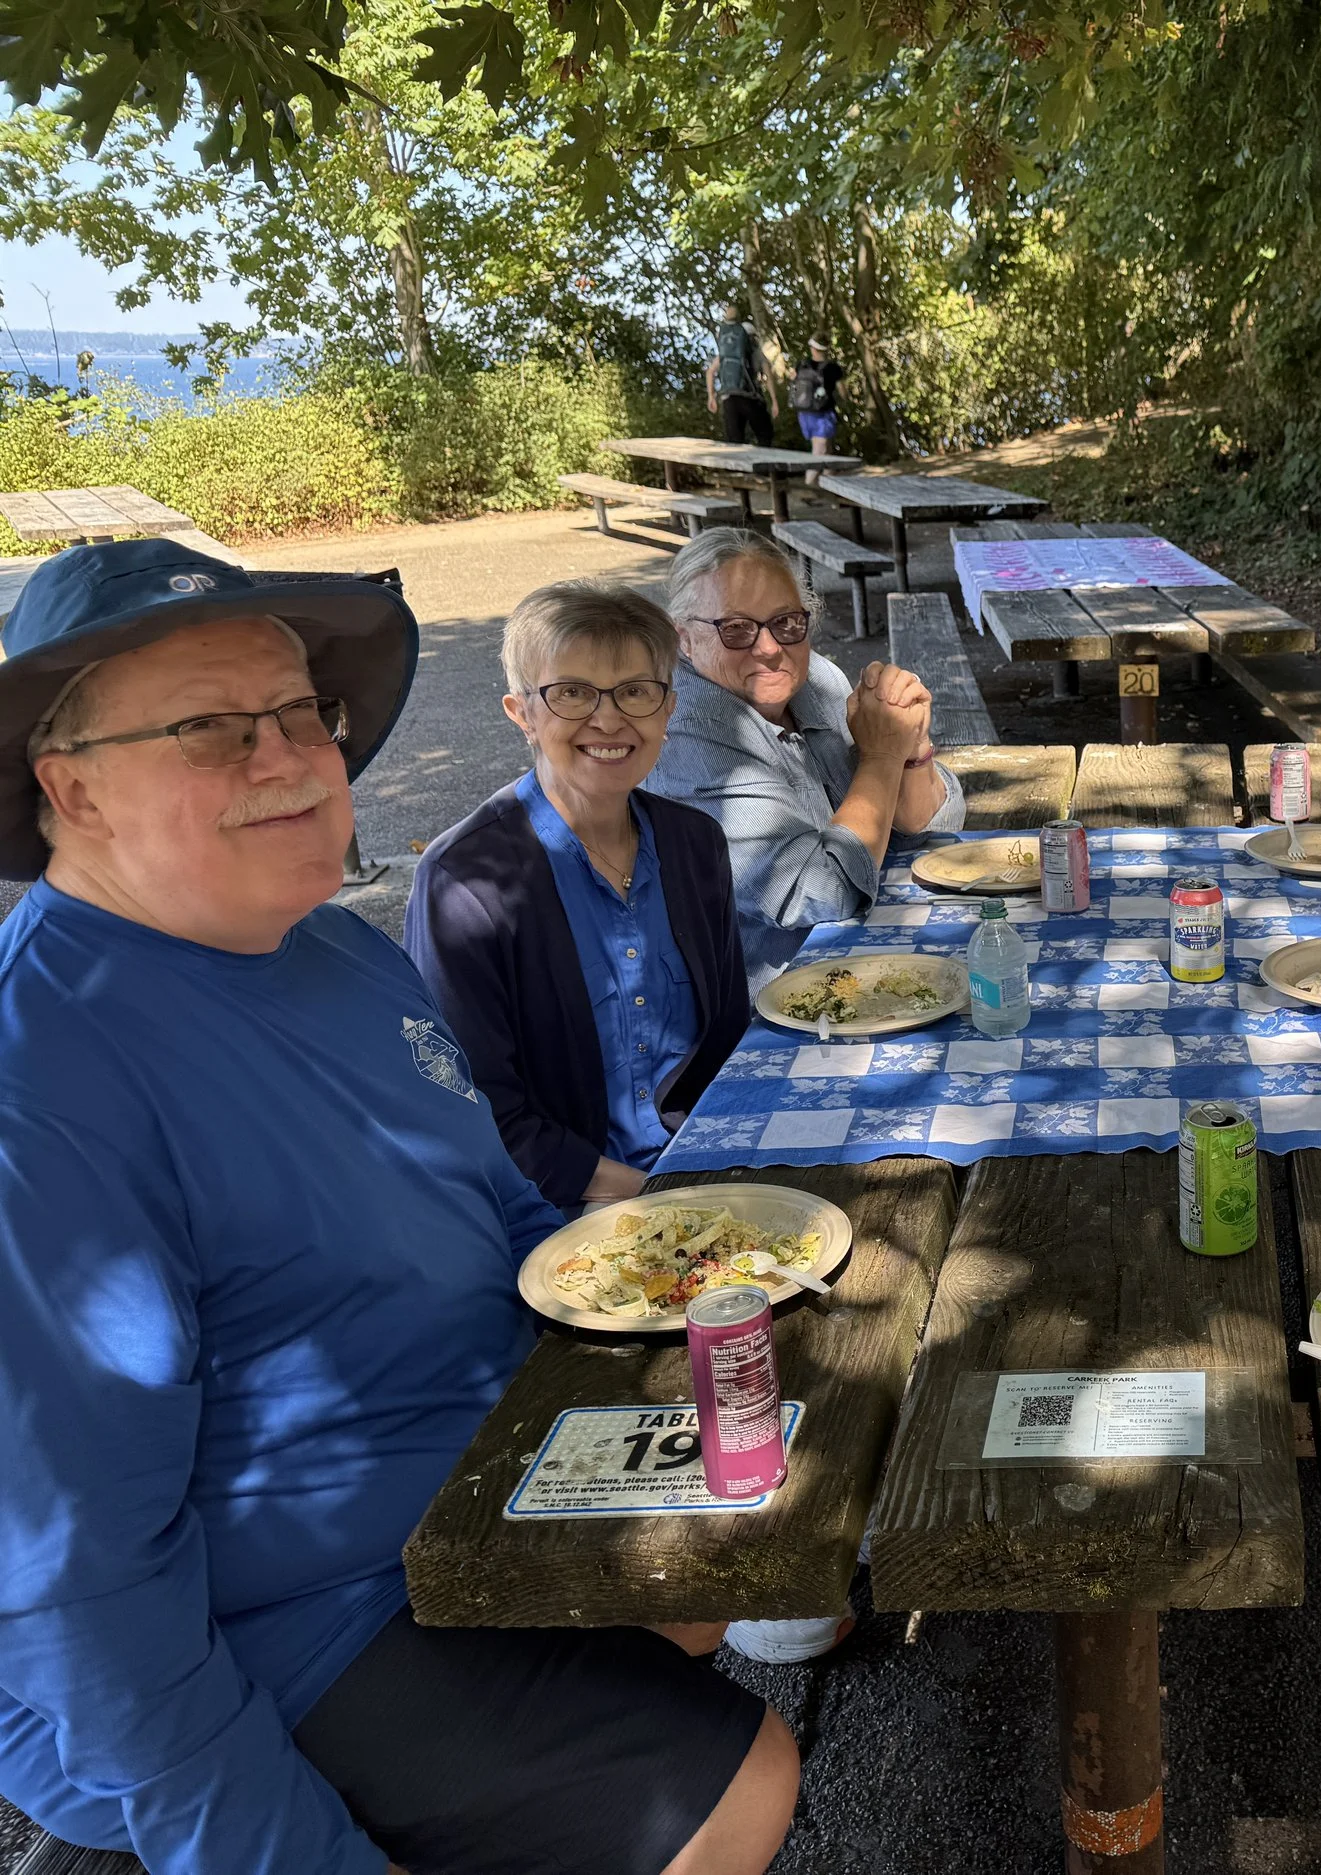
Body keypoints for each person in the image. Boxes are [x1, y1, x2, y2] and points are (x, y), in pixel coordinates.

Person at [0, 540, 797, 1875]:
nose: (293, 757)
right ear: (68, 785)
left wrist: (678, 1290)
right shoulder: (46, 1091)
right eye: (210, 727)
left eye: (304, 712)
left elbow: (494, 1206)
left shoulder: (329, 944)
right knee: (736, 1779)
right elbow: (83, 1595)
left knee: (753, 1522)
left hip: (475, 1476)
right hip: (289, 1621)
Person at [406, 581, 746, 1212]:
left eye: (636, 691)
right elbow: (473, 1106)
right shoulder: (467, 882)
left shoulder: (695, 843)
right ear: (522, 713)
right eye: (571, 693)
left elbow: (727, 1038)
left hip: (703, 1164)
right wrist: (650, 1192)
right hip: (556, 1202)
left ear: (668, 708)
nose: (609, 718)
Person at [646, 528, 964, 989]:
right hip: (768, 1015)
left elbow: (928, 825)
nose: (770, 647)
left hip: (867, 956)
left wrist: (911, 750)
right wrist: (881, 756)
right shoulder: (684, 729)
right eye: (735, 629)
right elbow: (824, 892)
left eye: (787, 623)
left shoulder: (814, 677)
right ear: (685, 639)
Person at [706, 301, 776, 447]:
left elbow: (710, 371)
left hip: (728, 398)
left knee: (734, 442)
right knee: (764, 435)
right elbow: (768, 376)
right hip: (750, 397)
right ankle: (763, 469)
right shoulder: (757, 353)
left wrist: (711, 396)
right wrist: (774, 401)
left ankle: (738, 470)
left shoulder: (725, 355)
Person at [791, 336, 846, 456]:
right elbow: (843, 392)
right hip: (822, 413)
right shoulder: (833, 368)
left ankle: (828, 474)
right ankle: (811, 475)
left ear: (813, 349)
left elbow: (793, 380)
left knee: (826, 449)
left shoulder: (801, 365)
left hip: (804, 412)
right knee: (820, 451)